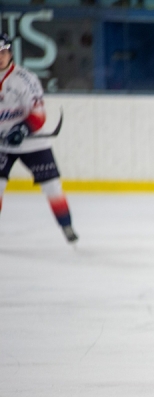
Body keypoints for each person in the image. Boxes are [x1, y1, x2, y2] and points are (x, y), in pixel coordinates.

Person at [0, 33, 77, 243]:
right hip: (2, 145)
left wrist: (22, 130)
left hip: (32, 143)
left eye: (4, 52)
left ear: (10, 53)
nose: (1, 57)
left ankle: (67, 226)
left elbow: (38, 114)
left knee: (52, 186)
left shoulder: (25, 79)